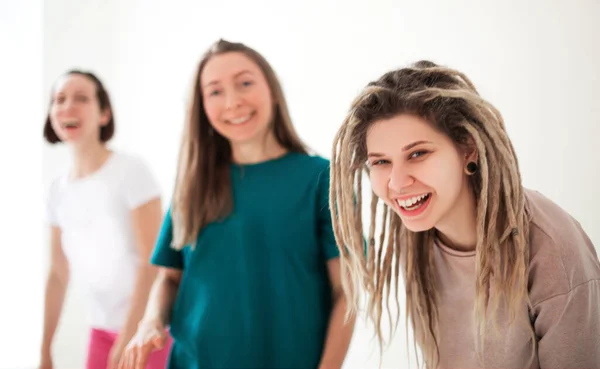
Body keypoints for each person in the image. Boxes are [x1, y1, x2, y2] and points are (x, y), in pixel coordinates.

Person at [328, 61, 600, 369]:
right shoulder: (417, 233)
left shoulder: (551, 248)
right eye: (381, 162)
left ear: (468, 148)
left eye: (418, 154)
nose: (397, 183)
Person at [119, 39, 355, 369]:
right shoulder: (192, 183)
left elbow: (347, 293)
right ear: (202, 106)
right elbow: (170, 278)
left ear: (272, 88)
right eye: (215, 91)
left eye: (245, 83)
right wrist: (150, 321)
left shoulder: (322, 178)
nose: (232, 101)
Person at [40, 70, 172, 369]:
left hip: (149, 330)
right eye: (59, 100)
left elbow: (152, 261)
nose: (67, 107)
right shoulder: (56, 191)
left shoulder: (130, 171)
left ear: (104, 114)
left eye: (81, 98)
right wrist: (45, 350)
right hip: (100, 330)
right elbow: (58, 274)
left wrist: (129, 335)